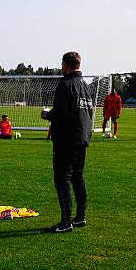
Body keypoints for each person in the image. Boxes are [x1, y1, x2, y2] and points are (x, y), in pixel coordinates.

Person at [41, 51, 93, 233]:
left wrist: (47, 114)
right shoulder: (86, 86)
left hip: (67, 139)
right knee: (78, 177)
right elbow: (89, 113)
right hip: (82, 138)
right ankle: (80, 217)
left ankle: (65, 222)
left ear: (66, 65)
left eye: (62, 65)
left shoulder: (64, 85)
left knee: (62, 179)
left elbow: (61, 113)